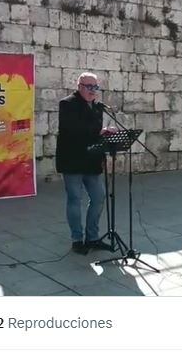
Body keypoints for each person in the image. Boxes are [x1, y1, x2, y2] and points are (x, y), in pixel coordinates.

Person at [55, 72, 116, 255]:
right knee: (75, 199)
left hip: (92, 160)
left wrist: (104, 133)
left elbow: (94, 132)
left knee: (98, 197)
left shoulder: (98, 107)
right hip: (72, 160)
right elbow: (74, 130)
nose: (92, 91)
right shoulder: (67, 104)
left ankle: (92, 237)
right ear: (79, 86)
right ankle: (77, 239)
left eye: (95, 87)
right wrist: (102, 131)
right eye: (89, 87)